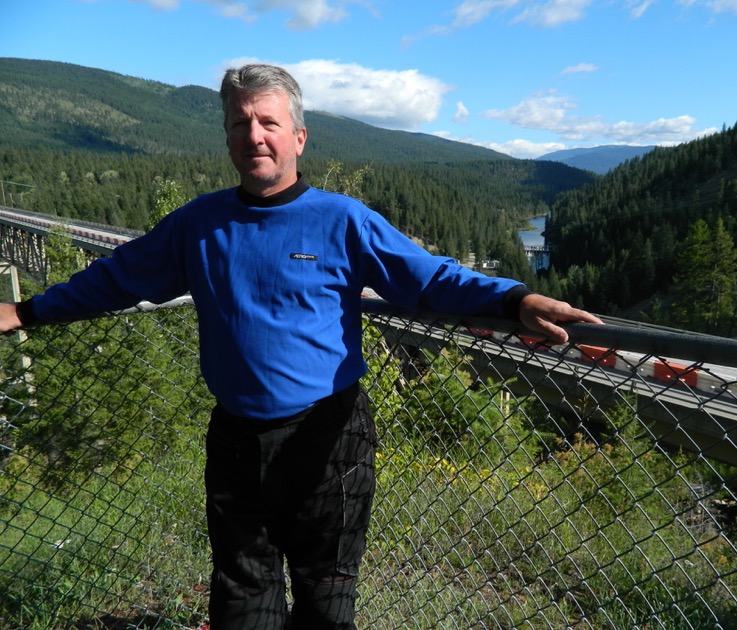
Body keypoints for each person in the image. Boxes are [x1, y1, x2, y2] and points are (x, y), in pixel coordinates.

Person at [0, 63, 603, 629]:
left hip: (330, 433)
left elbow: (429, 277)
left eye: (268, 122)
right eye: (240, 123)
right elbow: (115, 279)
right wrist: (25, 310)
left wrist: (515, 300)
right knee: (242, 591)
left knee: (326, 593)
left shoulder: (343, 220)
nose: (254, 135)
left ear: (299, 137)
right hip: (235, 437)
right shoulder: (196, 225)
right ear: (228, 137)